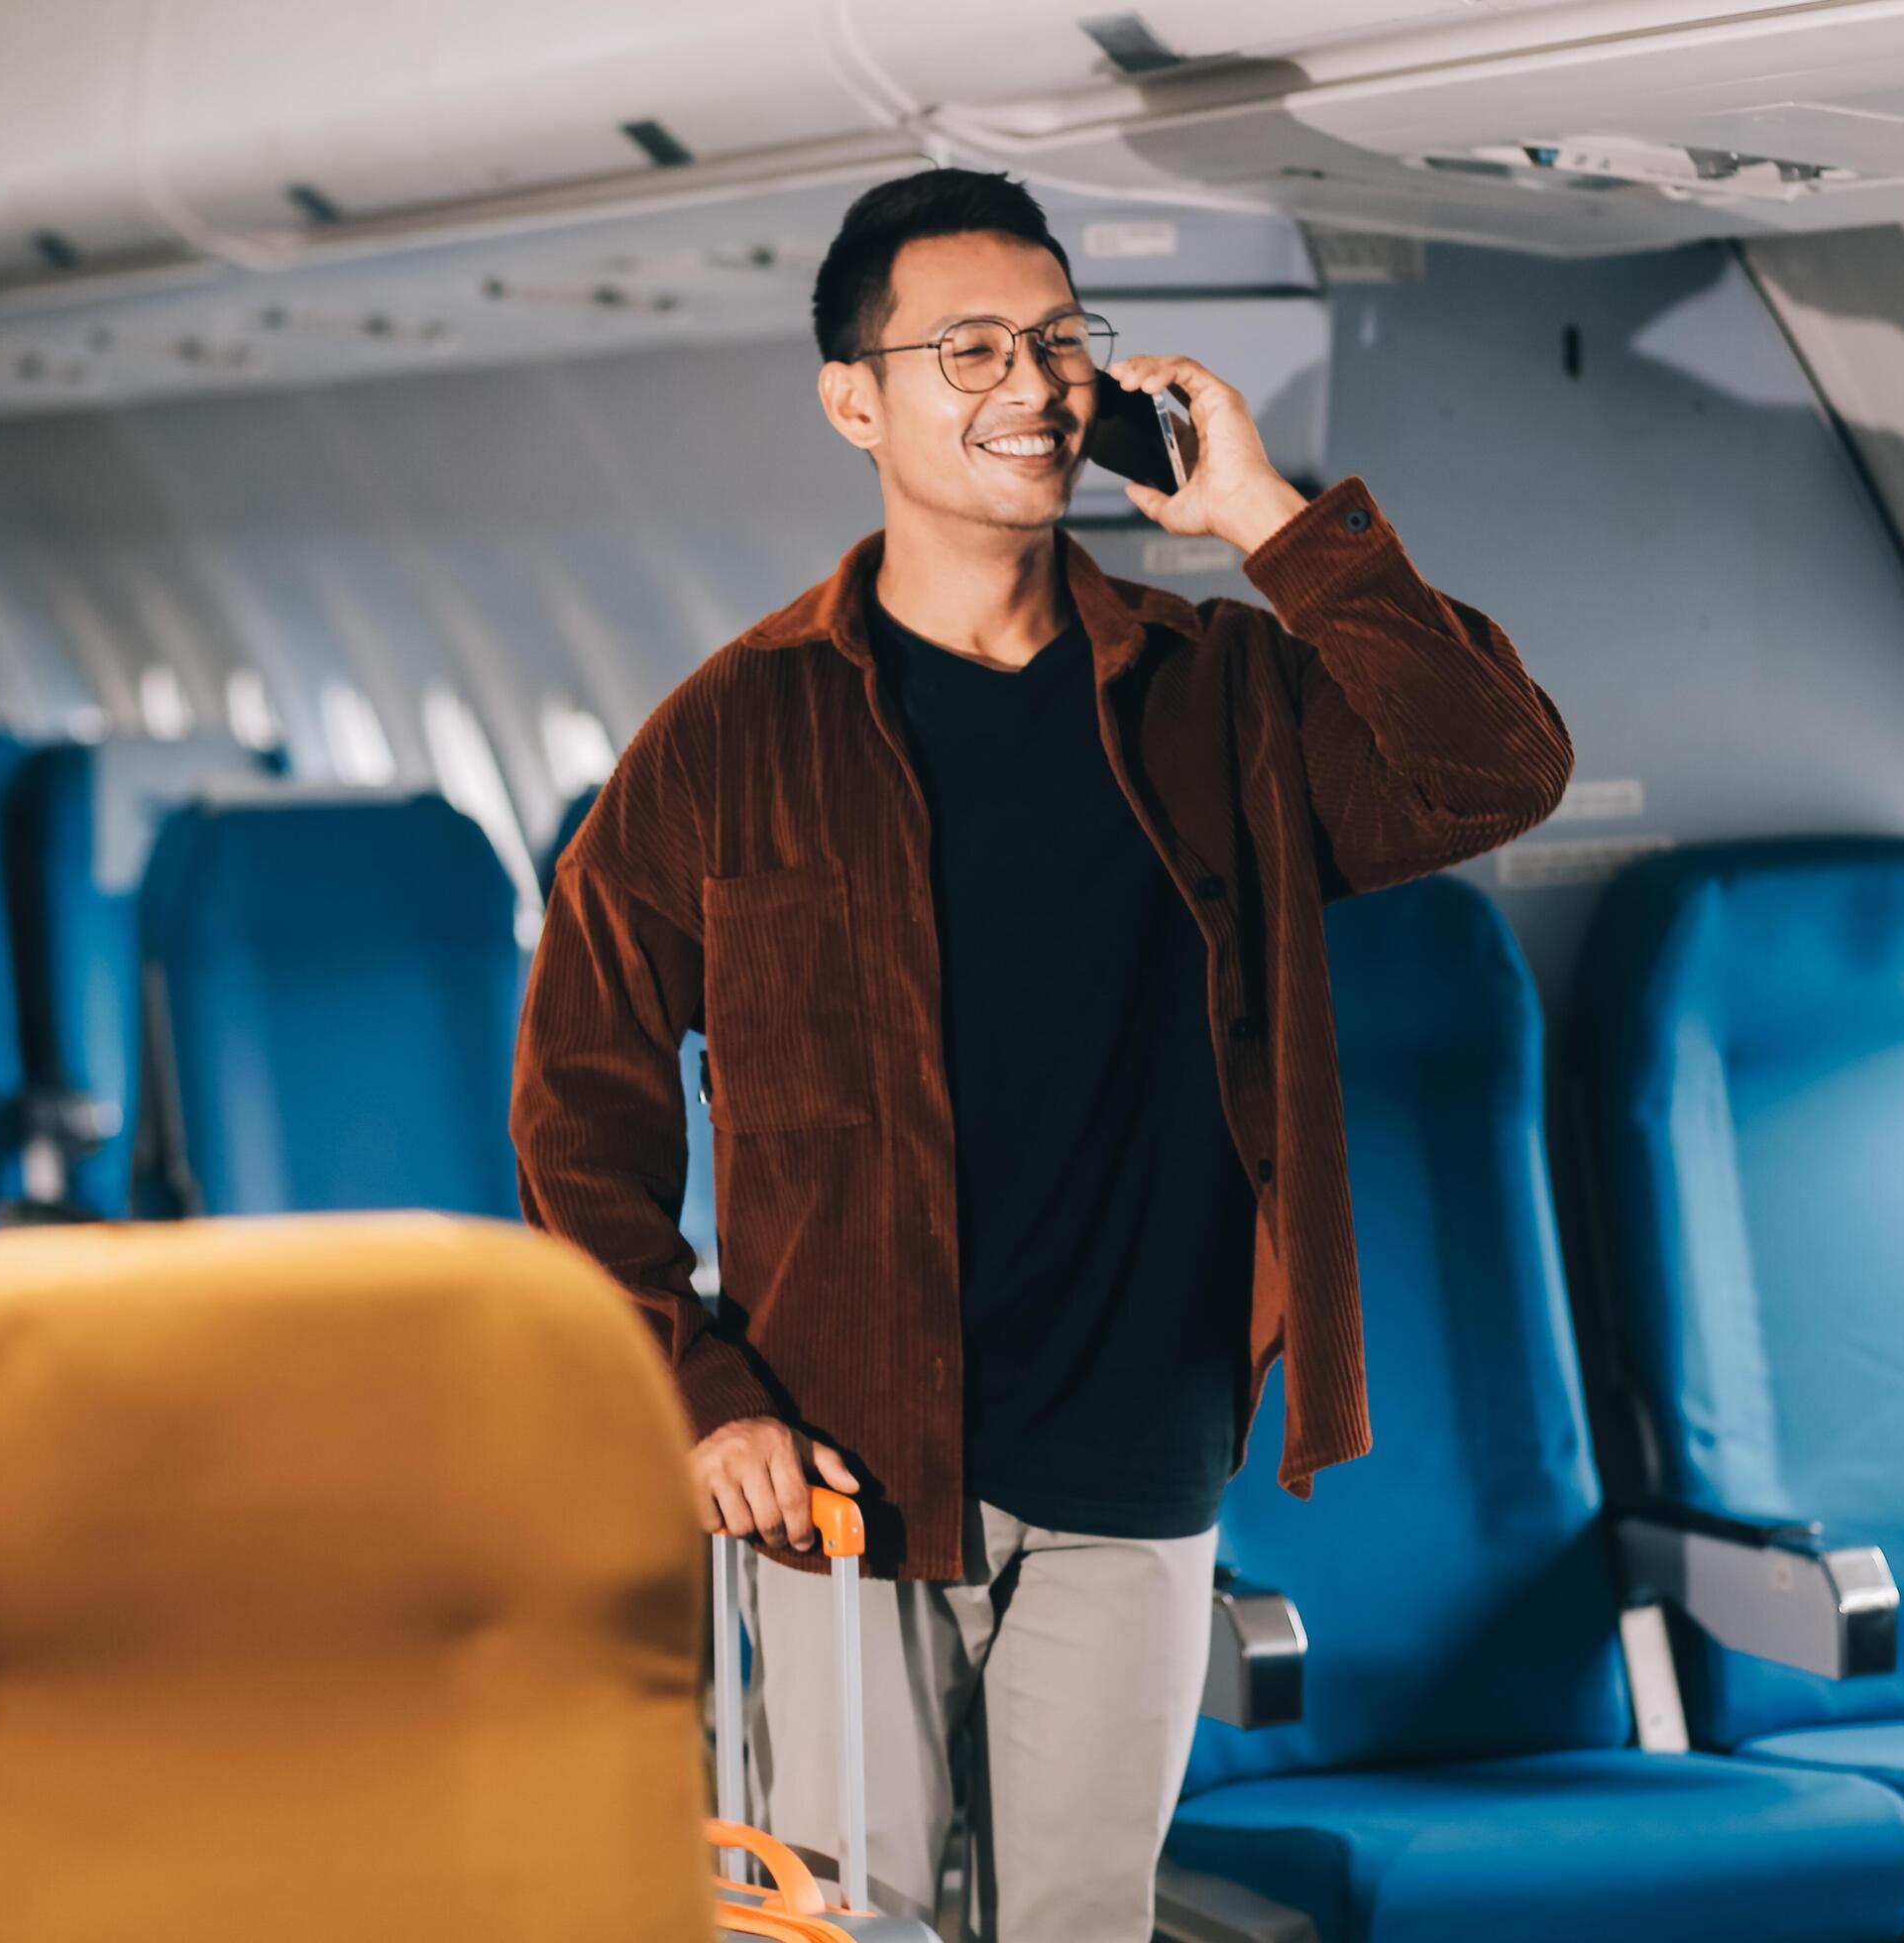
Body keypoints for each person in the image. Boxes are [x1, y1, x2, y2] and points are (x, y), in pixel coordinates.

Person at [510, 167, 1572, 1939]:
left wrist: (1269, 520)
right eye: (973, 347)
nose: (1037, 383)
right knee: (854, 1930)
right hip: (846, 1465)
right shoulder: (728, 735)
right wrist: (699, 1396)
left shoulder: (1223, 690)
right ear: (856, 399)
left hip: (1139, 1459)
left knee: (1082, 1922)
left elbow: (1496, 770)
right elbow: (579, 1119)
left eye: (1063, 341)